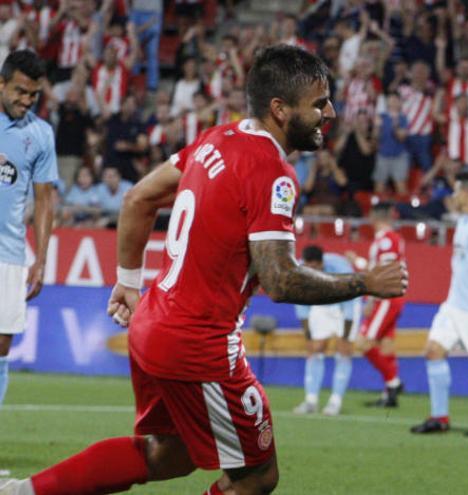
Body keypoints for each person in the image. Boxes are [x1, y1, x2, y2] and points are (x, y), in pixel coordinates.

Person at [0, 45, 407, 495]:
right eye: (318, 103)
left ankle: (21, 492)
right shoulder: (272, 171)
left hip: (154, 322)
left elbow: (138, 198)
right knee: (256, 475)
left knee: (168, 453)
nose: (329, 112)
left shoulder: (216, 139)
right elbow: (280, 279)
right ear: (279, 109)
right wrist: (365, 283)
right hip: (199, 343)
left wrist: (129, 281)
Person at [411, 172, 468, 439]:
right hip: (453, 304)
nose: (453, 196)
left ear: (465, 193)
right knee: (433, 350)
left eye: (456, 191)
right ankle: (439, 417)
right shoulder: (465, 220)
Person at [0, 51, 57, 411]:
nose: (27, 100)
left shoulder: (40, 134)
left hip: (9, 254)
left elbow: (45, 200)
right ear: (2, 84)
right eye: (20, 91)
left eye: (33, 94)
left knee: (2, 346)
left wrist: (41, 260)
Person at [293, 246, 359, 417]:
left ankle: (335, 402)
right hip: (321, 304)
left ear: (322, 263)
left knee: (343, 351)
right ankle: (311, 401)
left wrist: (345, 336)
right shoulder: (300, 272)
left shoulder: (341, 268)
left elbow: (350, 304)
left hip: (346, 305)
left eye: (315, 268)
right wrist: (308, 336)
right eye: (309, 268)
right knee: (315, 349)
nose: (311, 272)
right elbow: (300, 304)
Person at [356, 201, 406, 407]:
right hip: (393, 297)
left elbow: (385, 272)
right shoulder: (392, 239)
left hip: (385, 298)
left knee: (362, 343)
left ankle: (393, 383)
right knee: (385, 346)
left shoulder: (386, 240)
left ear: (375, 216)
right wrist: (359, 263)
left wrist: (372, 299)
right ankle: (389, 394)